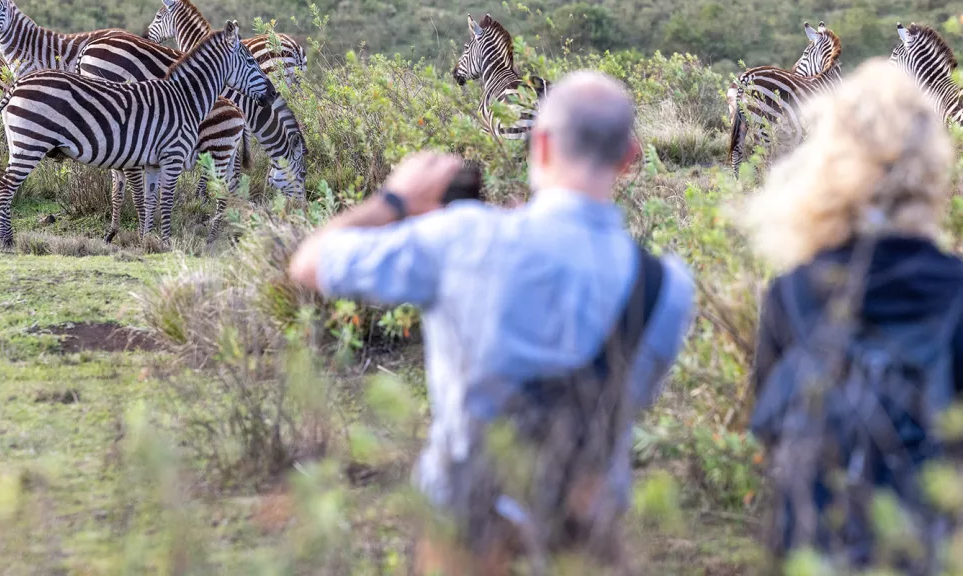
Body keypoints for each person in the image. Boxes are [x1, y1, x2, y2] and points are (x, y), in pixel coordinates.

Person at [289, 71, 695, 573]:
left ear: (540, 144)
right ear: (629, 158)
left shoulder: (464, 238)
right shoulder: (670, 287)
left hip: (465, 531)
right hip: (582, 538)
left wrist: (393, 200)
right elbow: (628, 399)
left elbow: (310, 262)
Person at [745, 59, 963, 574]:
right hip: (926, 547)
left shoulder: (792, 290)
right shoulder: (956, 291)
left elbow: (768, 426)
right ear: (931, 164)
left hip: (815, 543)